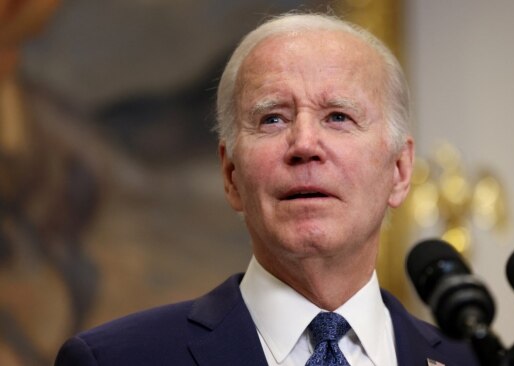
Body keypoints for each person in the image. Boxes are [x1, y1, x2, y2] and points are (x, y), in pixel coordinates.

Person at [55, 13, 479, 366]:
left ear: (400, 171)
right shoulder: (115, 360)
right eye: (273, 118)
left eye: (338, 117)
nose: (305, 145)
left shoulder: (473, 361)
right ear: (231, 174)